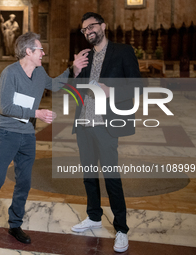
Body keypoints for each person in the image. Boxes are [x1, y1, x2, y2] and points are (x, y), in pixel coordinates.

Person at [0, 32, 79, 245]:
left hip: (27, 136)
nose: (43, 52)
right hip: (5, 134)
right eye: (40, 49)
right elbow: (5, 107)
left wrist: (73, 69)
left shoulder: (40, 72)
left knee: (24, 182)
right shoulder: (9, 73)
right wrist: (37, 113)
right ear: (28, 51)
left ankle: (15, 225)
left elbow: (56, 84)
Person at [70, 12, 141, 253]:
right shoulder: (85, 56)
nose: (88, 31)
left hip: (106, 126)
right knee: (89, 175)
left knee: (111, 177)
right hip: (84, 124)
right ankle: (94, 217)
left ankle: (121, 229)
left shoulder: (122, 51)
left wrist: (111, 92)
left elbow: (138, 87)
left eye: (91, 26)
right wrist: (75, 71)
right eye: (84, 29)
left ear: (103, 26)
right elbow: (73, 92)